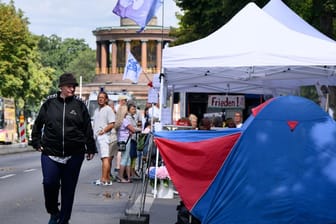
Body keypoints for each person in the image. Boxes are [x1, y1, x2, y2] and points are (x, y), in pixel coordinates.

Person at [31, 73, 97, 224]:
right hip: (50, 152)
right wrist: (36, 141)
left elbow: (87, 128)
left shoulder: (79, 105)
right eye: (69, 86)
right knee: (49, 183)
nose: (72, 89)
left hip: (74, 154)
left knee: (68, 188)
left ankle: (64, 220)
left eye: (74, 86)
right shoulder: (49, 104)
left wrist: (90, 147)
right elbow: (38, 123)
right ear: (61, 87)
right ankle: (53, 211)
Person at [92, 92, 116, 186]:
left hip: (104, 136)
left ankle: (104, 179)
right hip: (97, 136)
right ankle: (106, 178)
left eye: (102, 97)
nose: (100, 99)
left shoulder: (108, 109)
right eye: (99, 97)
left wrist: (103, 131)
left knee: (105, 157)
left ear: (106, 99)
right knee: (103, 158)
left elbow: (112, 124)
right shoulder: (97, 110)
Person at [117, 103, 141, 183]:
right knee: (125, 159)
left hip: (123, 140)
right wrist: (141, 130)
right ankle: (120, 177)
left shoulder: (120, 120)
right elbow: (133, 129)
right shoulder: (125, 120)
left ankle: (128, 177)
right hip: (126, 141)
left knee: (127, 159)